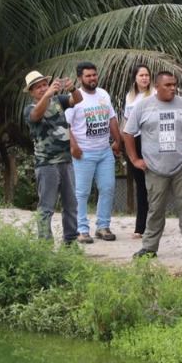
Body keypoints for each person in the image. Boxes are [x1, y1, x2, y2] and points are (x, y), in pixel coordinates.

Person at [123, 71, 182, 261]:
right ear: (157, 86)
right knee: (155, 209)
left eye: (174, 84)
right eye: (168, 85)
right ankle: (149, 247)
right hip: (154, 169)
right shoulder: (143, 107)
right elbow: (128, 133)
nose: (173, 88)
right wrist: (134, 159)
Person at [22, 70, 82, 243]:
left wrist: (72, 89)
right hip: (46, 164)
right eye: (38, 87)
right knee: (46, 206)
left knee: (71, 204)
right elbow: (36, 116)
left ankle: (70, 241)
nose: (42, 89)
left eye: (44, 85)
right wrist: (47, 96)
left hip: (66, 161)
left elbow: (77, 100)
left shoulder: (59, 101)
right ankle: (45, 243)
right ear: (32, 92)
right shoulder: (30, 109)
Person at [66, 62, 122, 244]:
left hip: (104, 151)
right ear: (80, 78)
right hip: (84, 153)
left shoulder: (103, 94)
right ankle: (81, 229)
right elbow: (65, 126)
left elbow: (111, 118)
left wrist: (118, 140)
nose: (92, 78)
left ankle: (103, 226)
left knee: (107, 188)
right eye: (88, 76)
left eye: (94, 75)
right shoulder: (74, 98)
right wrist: (73, 146)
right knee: (81, 192)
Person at [122, 65, 154, 239]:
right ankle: (140, 226)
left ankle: (154, 223)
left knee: (154, 185)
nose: (144, 78)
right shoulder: (129, 97)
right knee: (140, 185)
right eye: (141, 75)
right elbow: (126, 122)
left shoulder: (155, 94)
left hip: (150, 140)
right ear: (135, 78)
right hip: (134, 141)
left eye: (147, 75)